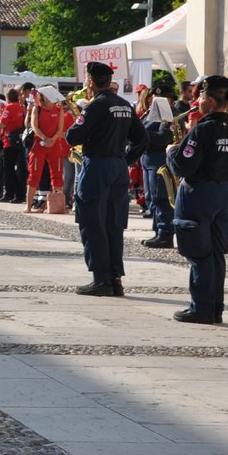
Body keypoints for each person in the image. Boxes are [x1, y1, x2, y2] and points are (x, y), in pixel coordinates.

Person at [167, 74, 228, 324]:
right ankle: (215, 308)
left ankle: (201, 308)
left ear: (210, 101)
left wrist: (171, 152)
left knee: (199, 253)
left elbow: (183, 165)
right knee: (215, 253)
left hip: (198, 194)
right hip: (222, 194)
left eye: (201, 96)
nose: (197, 100)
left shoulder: (203, 128)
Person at [64, 61, 148, 297]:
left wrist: (80, 114)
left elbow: (72, 136)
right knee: (114, 223)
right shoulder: (124, 105)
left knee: (92, 222)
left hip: (97, 166)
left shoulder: (94, 107)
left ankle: (100, 279)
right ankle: (115, 278)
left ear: (91, 82)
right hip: (117, 167)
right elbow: (141, 139)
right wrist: (125, 160)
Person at [138, 85, 178, 249]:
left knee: (161, 197)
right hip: (147, 159)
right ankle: (157, 231)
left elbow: (163, 137)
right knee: (151, 198)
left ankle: (165, 234)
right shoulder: (150, 115)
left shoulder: (167, 117)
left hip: (159, 159)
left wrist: (141, 134)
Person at [25, 92, 71, 213]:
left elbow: (60, 128)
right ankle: (28, 206)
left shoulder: (59, 109)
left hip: (55, 145)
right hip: (39, 144)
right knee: (34, 174)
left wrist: (53, 139)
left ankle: (59, 206)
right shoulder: (37, 108)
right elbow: (35, 126)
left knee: (57, 174)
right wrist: (45, 138)